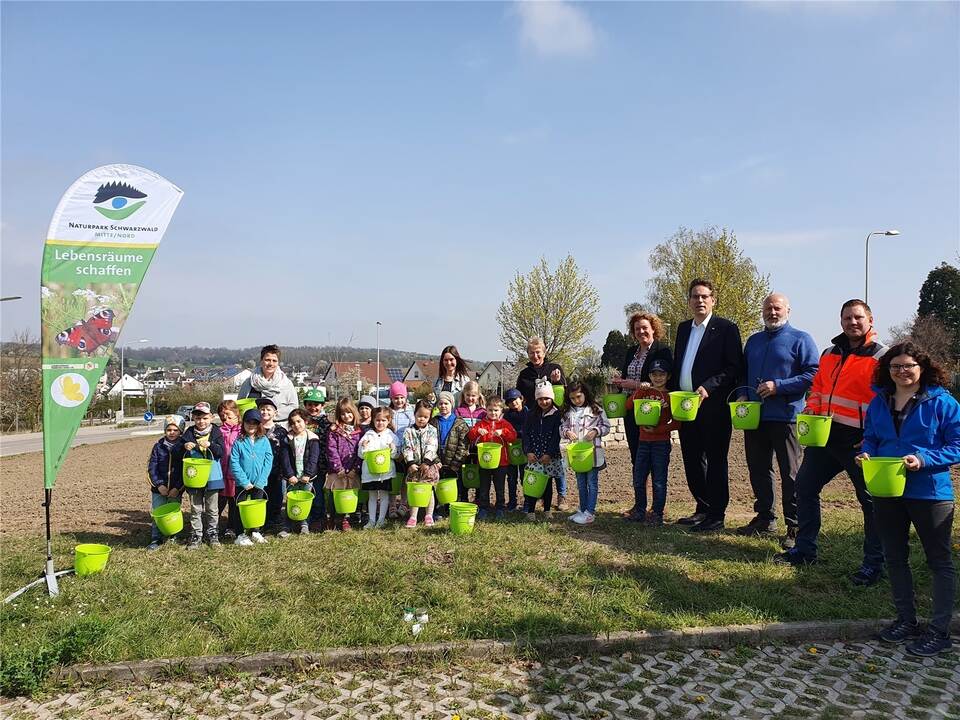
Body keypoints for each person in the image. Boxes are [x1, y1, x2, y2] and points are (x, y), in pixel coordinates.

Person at [774, 299, 887, 586]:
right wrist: (811, 409)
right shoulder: (829, 353)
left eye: (858, 317)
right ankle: (805, 549)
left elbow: (885, 403)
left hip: (861, 442)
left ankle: (874, 564)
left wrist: (873, 438)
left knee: (871, 502)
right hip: (825, 437)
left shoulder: (881, 357)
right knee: (804, 487)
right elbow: (819, 389)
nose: (853, 322)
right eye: (847, 318)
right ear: (841, 322)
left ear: (870, 320)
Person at [857, 342, 958, 656]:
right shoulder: (879, 401)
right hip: (887, 490)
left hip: (929, 492)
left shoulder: (943, 403)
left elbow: (957, 444)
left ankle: (939, 631)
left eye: (908, 366)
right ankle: (906, 620)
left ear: (922, 368)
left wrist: (924, 459)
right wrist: (867, 452)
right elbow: (871, 435)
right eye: (895, 366)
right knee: (894, 556)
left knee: (938, 560)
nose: (902, 371)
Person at [737, 293, 819, 548]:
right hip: (755, 417)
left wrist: (779, 386)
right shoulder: (754, 341)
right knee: (759, 469)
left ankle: (794, 525)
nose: (772, 312)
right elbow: (743, 373)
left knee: (791, 473)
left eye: (777, 308)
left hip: (786, 417)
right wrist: (741, 392)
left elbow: (813, 374)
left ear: (788, 311)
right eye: (768, 308)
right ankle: (765, 518)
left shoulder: (801, 339)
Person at [671, 279, 744, 532]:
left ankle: (716, 514)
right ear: (689, 301)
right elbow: (679, 365)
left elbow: (734, 367)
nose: (699, 301)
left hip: (713, 407)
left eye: (704, 296)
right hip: (685, 406)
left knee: (715, 460)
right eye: (695, 297)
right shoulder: (682, 329)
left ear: (713, 299)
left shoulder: (726, 328)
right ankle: (702, 508)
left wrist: (709, 386)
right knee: (691, 459)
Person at [609, 311, 673, 484]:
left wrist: (635, 385)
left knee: (654, 461)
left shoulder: (662, 350)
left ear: (653, 329)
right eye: (637, 329)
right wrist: (620, 382)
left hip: (652, 410)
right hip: (632, 408)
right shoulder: (631, 351)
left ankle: (657, 505)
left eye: (645, 327)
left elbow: (665, 382)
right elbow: (627, 378)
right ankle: (640, 503)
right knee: (636, 457)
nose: (641, 331)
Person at [516, 337, 569, 509]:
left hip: (552, 418)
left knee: (555, 458)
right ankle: (535, 495)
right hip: (533, 420)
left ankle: (562, 496)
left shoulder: (555, 369)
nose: (535, 355)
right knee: (535, 462)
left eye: (538, 352)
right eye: (531, 352)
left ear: (544, 352)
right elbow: (520, 398)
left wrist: (557, 381)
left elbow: (563, 394)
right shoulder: (524, 375)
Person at [625, 358, 675, 525]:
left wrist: (657, 430)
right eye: (654, 374)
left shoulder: (670, 396)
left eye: (662, 374)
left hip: (661, 442)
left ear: (668, 376)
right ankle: (640, 510)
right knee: (639, 478)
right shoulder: (645, 393)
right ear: (649, 376)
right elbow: (628, 406)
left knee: (659, 480)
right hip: (643, 442)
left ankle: (656, 513)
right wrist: (639, 390)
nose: (658, 378)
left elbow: (677, 423)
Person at [560, 381, 611, 525]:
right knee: (580, 483)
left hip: (592, 455)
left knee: (592, 482)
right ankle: (582, 509)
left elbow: (606, 426)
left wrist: (596, 431)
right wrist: (567, 432)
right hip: (577, 456)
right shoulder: (569, 412)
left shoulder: (596, 409)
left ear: (585, 394)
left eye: (578, 397)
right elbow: (561, 428)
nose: (576, 400)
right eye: (572, 398)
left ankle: (590, 512)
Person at [182, 402, 225, 549]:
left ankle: (213, 534)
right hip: (194, 476)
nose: (202, 421)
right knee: (196, 507)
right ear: (193, 418)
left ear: (211, 417)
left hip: (213, 476)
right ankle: (196, 535)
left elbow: (221, 452)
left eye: (205, 418)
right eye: (198, 418)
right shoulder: (188, 433)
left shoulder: (216, 432)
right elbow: (180, 453)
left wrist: (211, 445)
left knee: (212, 508)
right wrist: (185, 447)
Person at [467, 396, 517, 519]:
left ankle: (500, 507)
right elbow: (471, 435)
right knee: (484, 486)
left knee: (499, 487)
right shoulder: (482, 423)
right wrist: (478, 431)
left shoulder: (505, 424)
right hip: (484, 462)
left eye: (496, 410)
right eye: (490, 410)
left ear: (501, 411)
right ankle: (483, 507)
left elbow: (513, 437)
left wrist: (503, 432)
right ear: (486, 410)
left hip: (501, 462)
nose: (493, 413)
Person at [229, 408, 273, 546]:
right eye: (248, 422)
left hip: (259, 482)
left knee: (257, 507)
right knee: (239, 507)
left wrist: (261, 480)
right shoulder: (239, 442)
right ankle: (240, 534)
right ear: (243, 424)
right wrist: (243, 481)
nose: (251, 425)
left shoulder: (264, 440)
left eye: (254, 422)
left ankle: (255, 531)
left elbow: (268, 460)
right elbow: (234, 462)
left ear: (259, 424)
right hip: (243, 483)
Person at [523, 381, 564, 520]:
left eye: (546, 398)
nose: (544, 401)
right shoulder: (531, 414)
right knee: (532, 481)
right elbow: (526, 434)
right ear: (536, 399)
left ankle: (547, 509)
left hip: (549, 456)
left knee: (547, 484)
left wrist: (549, 454)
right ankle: (530, 511)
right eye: (540, 399)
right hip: (534, 454)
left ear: (552, 398)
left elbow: (556, 436)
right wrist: (528, 451)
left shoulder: (557, 414)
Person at [146, 415, 185, 549]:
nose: (172, 432)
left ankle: (174, 536)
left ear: (181, 431)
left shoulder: (183, 448)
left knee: (173, 514)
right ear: (165, 431)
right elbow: (152, 468)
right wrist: (159, 485)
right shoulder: (158, 447)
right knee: (157, 513)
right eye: (169, 430)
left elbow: (184, 471)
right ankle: (156, 538)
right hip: (159, 489)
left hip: (176, 489)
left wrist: (177, 488)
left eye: (175, 430)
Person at [324, 398, 363, 532]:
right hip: (337, 470)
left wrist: (355, 469)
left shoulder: (359, 431)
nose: (346, 416)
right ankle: (333, 518)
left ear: (354, 412)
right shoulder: (334, 431)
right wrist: (338, 468)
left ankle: (347, 519)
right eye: (342, 414)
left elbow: (361, 451)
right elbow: (331, 449)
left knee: (349, 495)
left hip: (352, 470)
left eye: (349, 413)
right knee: (334, 494)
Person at [281, 408, 321, 537]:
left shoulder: (313, 438)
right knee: (290, 501)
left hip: (306, 478)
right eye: (293, 423)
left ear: (305, 421)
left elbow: (314, 458)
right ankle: (287, 525)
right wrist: (290, 475)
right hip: (292, 478)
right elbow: (285, 458)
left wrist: (308, 474)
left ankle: (304, 524)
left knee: (305, 501)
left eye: (299, 421)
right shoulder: (287, 439)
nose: (296, 425)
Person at [358, 407, 399, 529]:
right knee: (372, 496)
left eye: (383, 420)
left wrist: (393, 448)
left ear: (388, 421)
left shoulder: (391, 436)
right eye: (377, 420)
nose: (380, 423)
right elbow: (361, 455)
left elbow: (395, 456)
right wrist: (363, 447)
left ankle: (381, 520)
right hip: (370, 473)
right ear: (373, 420)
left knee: (384, 495)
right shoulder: (368, 435)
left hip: (385, 473)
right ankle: (371, 520)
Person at [402, 400, 441, 528]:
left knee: (428, 489)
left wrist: (427, 461)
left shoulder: (432, 430)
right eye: (419, 416)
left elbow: (432, 446)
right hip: (414, 467)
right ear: (414, 414)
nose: (422, 419)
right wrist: (410, 462)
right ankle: (413, 516)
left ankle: (428, 515)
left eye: (425, 417)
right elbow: (406, 447)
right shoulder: (408, 431)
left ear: (429, 417)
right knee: (415, 490)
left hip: (428, 465)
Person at [257, 398, 292, 534]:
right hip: (259, 472)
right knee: (260, 497)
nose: (265, 412)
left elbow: (285, 452)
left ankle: (275, 521)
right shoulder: (255, 429)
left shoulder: (281, 431)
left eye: (268, 409)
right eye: (262, 409)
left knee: (276, 497)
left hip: (276, 471)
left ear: (275, 413)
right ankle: (261, 522)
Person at [238, 344, 298, 422]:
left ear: (278, 363)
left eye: (274, 361)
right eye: (267, 360)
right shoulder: (249, 382)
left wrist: (270, 415)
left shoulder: (286, 383)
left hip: (279, 429)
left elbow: (294, 407)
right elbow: (240, 405)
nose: (270, 364)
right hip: (254, 428)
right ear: (261, 361)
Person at [429, 390, 471, 503]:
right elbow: (429, 443)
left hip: (454, 462)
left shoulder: (460, 423)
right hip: (438, 461)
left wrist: (456, 463)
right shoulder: (433, 422)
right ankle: (437, 507)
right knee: (437, 484)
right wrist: (435, 460)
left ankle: (452, 506)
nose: (443, 406)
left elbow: (463, 445)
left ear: (451, 405)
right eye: (440, 403)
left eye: (446, 403)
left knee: (454, 485)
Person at [301, 388, 331, 532]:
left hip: (319, 465)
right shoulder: (302, 421)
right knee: (305, 491)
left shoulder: (326, 423)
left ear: (322, 406)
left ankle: (319, 518)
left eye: (316, 405)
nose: (313, 407)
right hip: (303, 464)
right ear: (305, 405)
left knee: (318, 492)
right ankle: (304, 518)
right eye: (310, 404)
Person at [216, 400, 243, 542]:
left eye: (227, 414)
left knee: (233, 502)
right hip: (220, 473)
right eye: (222, 416)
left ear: (237, 413)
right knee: (218, 502)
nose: (225, 418)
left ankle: (231, 528)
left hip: (235, 474)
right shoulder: (219, 431)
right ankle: (212, 527)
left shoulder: (242, 431)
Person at [503, 388, 529, 512]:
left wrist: (518, 433)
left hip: (524, 449)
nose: (513, 403)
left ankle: (527, 501)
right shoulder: (507, 415)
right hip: (511, 449)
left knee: (525, 476)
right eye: (510, 401)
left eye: (515, 399)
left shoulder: (528, 413)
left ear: (521, 398)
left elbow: (530, 429)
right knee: (511, 477)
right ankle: (512, 501)